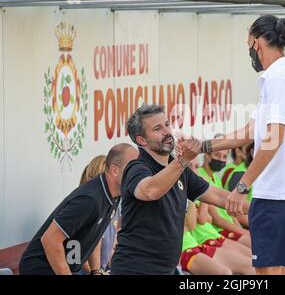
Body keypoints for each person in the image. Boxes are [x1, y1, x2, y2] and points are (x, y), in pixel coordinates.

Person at [182, 15, 285, 275]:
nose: (249, 51)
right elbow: (249, 131)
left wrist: (242, 187)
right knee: (282, 266)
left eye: (248, 44)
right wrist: (203, 146)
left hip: (278, 191)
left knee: (267, 271)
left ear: (257, 42)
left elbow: (272, 140)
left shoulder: (277, 80)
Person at [110, 104, 249, 275]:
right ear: (141, 140)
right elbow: (150, 191)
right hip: (135, 269)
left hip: (167, 269)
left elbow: (217, 195)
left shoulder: (178, 168)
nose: (167, 132)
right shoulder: (137, 168)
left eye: (167, 124)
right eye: (157, 128)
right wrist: (183, 160)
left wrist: (265, 208)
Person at [18, 144, 138, 275]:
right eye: (134, 168)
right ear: (115, 170)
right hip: (40, 269)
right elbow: (50, 240)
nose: (140, 173)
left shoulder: (114, 195)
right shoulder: (90, 200)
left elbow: (95, 235)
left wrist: (96, 271)